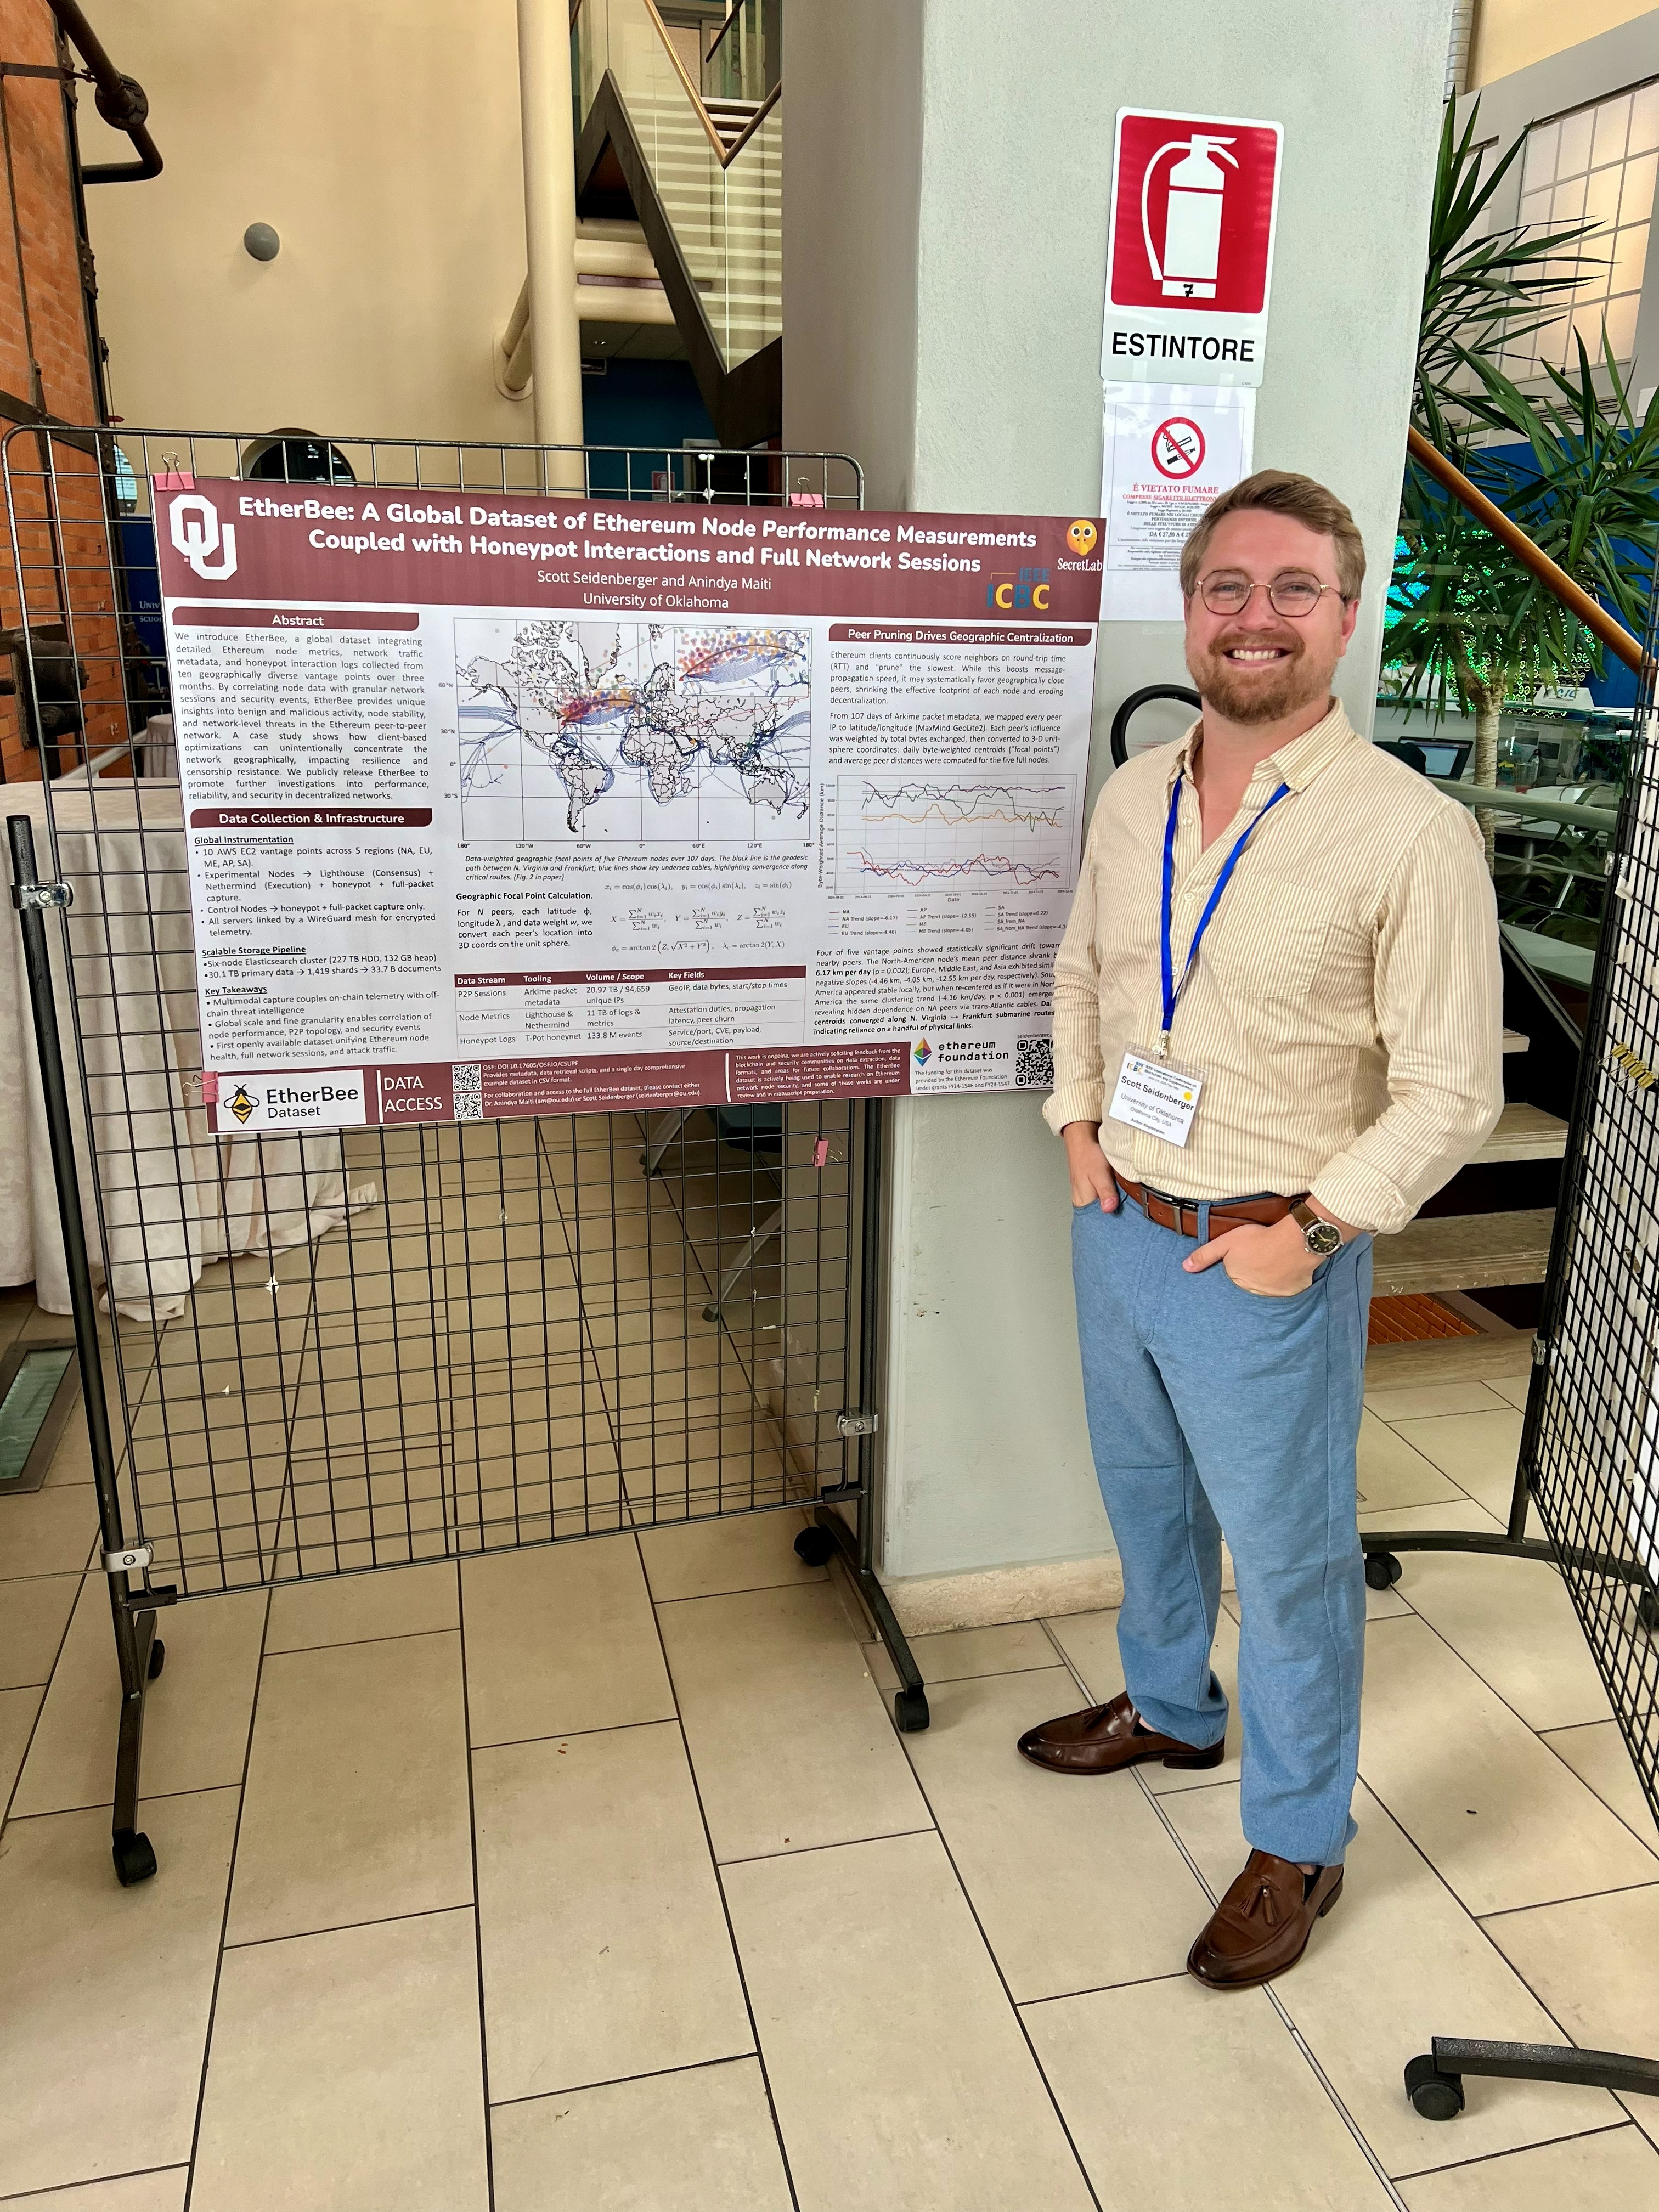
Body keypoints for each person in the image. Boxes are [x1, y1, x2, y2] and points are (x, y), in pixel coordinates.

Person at [1018, 469, 1503, 1989]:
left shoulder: (1408, 837)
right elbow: (1085, 973)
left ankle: (1297, 1838)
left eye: (1295, 589)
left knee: (1291, 1569)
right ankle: (1169, 1706)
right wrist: (1080, 1127)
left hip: (1263, 1257)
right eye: (1230, 586)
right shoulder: (1136, 794)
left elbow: (1453, 1091)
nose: (1256, 618)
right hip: (1120, 1225)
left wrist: (1312, 1228)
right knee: (1147, 1504)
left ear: (1346, 620)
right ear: (1192, 607)